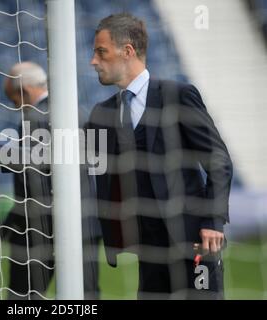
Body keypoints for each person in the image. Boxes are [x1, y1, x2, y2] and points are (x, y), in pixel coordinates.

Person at [87, 13, 233, 299]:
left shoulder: (177, 96)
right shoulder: (101, 113)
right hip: (148, 251)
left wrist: (212, 222)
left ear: (127, 51)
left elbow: (218, 161)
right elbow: (66, 153)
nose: (94, 61)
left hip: (193, 244)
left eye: (101, 52)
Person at [0, 62, 101, 299]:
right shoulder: (76, 111)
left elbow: (29, 160)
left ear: (24, 92)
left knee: (23, 299)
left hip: (41, 228)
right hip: (83, 225)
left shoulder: (38, 117)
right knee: (84, 298)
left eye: (14, 100)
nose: (15, 107)